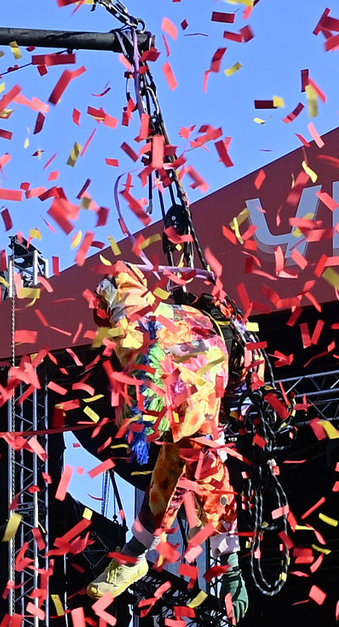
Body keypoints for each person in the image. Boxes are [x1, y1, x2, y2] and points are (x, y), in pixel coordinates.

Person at [80, 258, 237, 604]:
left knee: (170, 478)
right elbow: (118, 275)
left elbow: (215, 489)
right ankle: (133, 558)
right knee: (167, 478)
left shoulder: (198, 416)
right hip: (181, 334)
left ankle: (133, 557)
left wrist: (229, 559)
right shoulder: (134, 335)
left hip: (217, 360)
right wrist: (107, 296)